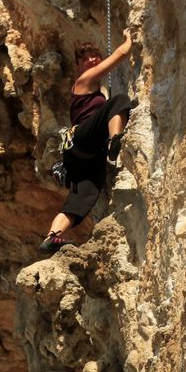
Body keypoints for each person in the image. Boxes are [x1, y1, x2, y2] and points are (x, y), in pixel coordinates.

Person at [39, 29, 136, 254]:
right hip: (83, 138)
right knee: (119, 101)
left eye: (95, 55)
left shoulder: (88, 86)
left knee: (83, 197)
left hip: (82, 156)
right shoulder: (83, 81)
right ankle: (115, 140)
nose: (92, 60)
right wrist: (129, 39)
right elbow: (121, 54)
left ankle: (51, 237)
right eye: (85, 57)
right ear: (79, 65)